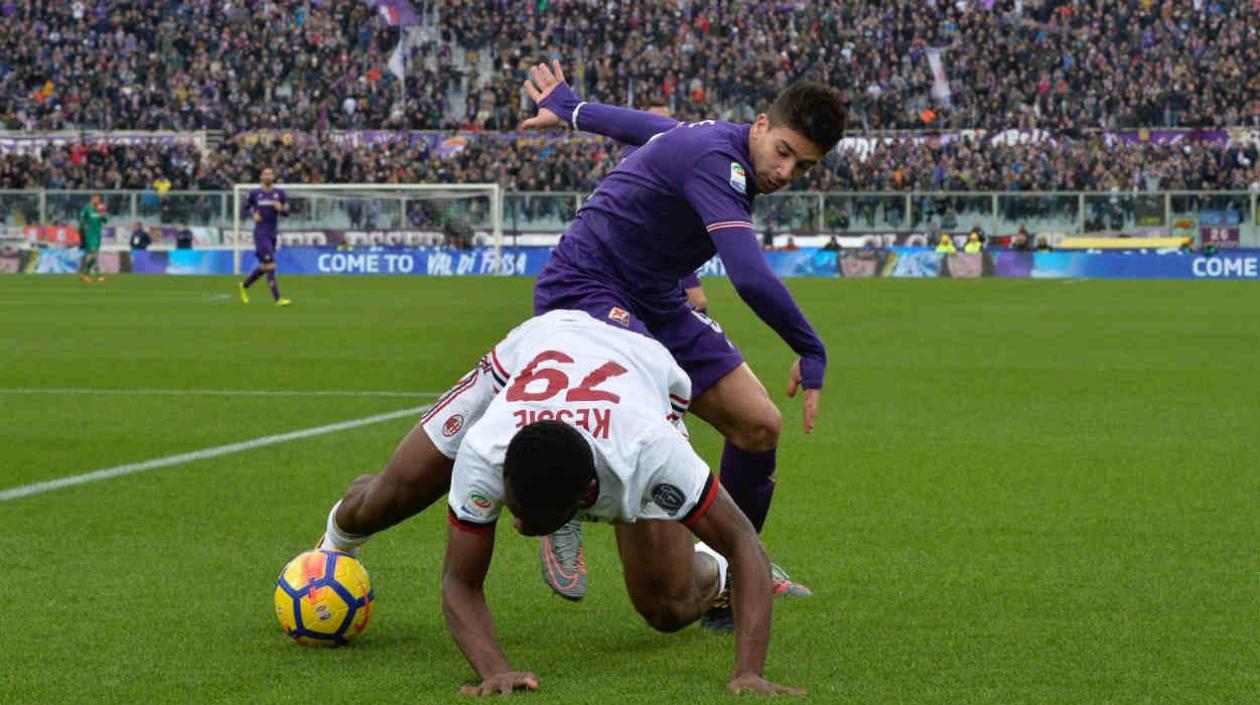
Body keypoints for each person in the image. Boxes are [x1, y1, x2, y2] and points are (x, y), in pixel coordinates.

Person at [315, 309, 804, 697]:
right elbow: (460, 583)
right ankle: (333, 545)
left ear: (586, 500)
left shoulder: (653, 454)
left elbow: (744, 541)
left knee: (667, 609)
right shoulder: (486, 451)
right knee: (389, 497)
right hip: (536, 348)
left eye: (529, 521)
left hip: (641, 371)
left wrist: (749, 673)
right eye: (515, 510)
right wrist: (495, 671)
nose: (518, 528)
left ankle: (709, 568)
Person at [520, 61, 841, 612]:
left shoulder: (714, 139)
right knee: (645, 414)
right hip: (587, 284)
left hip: (654, 294)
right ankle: (561, 508)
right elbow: (749, 275)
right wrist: (810, 347)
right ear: (761, 125)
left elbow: (651, 128)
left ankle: (730, 574)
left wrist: (575, 110)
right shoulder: (722, 162)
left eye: (804, 166)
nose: (787, 171)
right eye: (785, 152)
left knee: (759, 426)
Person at [238, 167, 292, 307]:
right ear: (261, 177)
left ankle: (244, 285)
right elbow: (244, 208)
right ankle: (277, 299)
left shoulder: (279, 193)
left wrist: (282, 209)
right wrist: (252, 214)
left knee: (265, 266)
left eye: (270, 174)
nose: (268, 176)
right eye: (265, 174)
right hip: (261, 233)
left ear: (273, 176)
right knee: (271, 264)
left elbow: (288, 212)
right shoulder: (255, 193)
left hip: (273, 233)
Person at [77, 194, 107, 283]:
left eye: (99, 199)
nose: (98, 201)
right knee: (94, 254)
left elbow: (105, 221)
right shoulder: (87, 209)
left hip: (98, 235)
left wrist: (102, 214)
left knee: (94, 255)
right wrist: (81, 229)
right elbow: (81, 219)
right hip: (90, 235)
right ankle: (99, 275)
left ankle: (85, 274)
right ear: (92, 199)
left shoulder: (100, 209)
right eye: (96, 199)